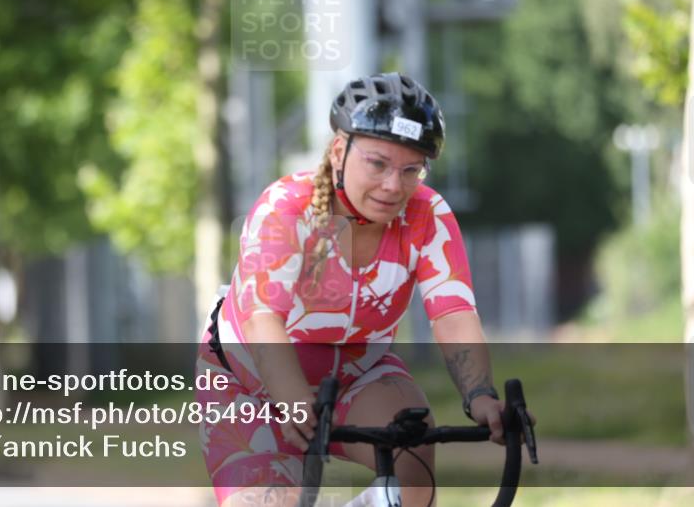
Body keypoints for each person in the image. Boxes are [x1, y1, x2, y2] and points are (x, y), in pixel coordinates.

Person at [196, 72, 505, 507]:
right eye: (378, 164)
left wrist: (481, 397)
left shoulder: (427, 214)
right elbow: (263, 315)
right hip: (249, 380)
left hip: (357, 372)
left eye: (410, 170)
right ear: (339, 151)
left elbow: (453, 313)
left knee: (412, 454)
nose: (393, 186)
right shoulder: (288, 207)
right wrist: (293, 400)